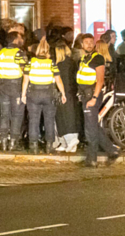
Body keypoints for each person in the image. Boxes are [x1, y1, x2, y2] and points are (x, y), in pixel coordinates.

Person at [76, 34, 119, 168]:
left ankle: (92, 158)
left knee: (90, 129)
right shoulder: (84, 58)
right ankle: (112, 151)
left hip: (91, 95)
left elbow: (100, 80)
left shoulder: (98, 58)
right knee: (93, 125)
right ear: (82, 45)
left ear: (94, 44)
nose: (89, 44)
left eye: (91, 42)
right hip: (85, 95)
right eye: (86, 42)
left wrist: (94, 98)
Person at [22, 38, 67, 154]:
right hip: (49, 93)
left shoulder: (30, 62)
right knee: (49, 120)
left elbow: (25, 80)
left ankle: (34, 146)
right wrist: (63, 93)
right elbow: (58, 80)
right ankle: (49, 146)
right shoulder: (51, 63)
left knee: (33, 120)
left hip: (33, 93)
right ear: (48, 51)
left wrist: (23, 94)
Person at [0, 32, 28, 151]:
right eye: (20, 38)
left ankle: (3, 142)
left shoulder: (1, 52)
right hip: (16, 86)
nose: (21, 40)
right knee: (17, 115)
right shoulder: (19, 53)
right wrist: (24, 90)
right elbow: (25, 72)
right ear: (15, 39)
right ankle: (13, 142)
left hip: (3, 86)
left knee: (4, 114)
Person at [54, 39, 81, 153]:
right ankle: (69, 144)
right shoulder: (73, 62)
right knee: (72, 116)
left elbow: (58, 80)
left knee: (63, 117)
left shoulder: (59, 64)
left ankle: (69, 141)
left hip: (63, 92)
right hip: (72, 92)